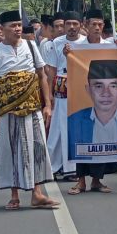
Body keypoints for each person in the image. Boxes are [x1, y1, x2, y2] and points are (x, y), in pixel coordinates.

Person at [0, 10, 59, 211]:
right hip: (9, 110)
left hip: (32, 108)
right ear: (2, 29)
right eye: (12, 26)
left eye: (19, 25)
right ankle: (14, 195)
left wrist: (47, 105)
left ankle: (37, 193)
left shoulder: (31, 46)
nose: (17, 29)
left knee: (38, 147)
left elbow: (42, 76)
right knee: (11, 149)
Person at [68, 9, 117, 194]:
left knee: (102, 138)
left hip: (105, 97)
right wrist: (68, 53)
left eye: (100, 25)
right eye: (94, 24)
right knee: (82, 136)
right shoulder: (76, 47)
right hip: (83, 96)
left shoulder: (110, 45)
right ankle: (81, 181)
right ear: (86, 25)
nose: (97, 28)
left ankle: (97, 181)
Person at [45, 12, 84, 181]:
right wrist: (49, 96)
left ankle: (73, 168)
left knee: (75, 129)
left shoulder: (86, 43)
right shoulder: (56, 43)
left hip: (81, 90)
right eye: (68, 24)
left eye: (75, 23)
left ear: (81, 25)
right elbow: (51, 71)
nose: (72, 27)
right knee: (57, 129)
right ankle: (51, 166)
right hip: (61, 89)